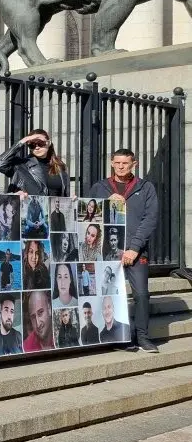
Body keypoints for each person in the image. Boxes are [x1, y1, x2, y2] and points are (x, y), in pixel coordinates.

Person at [89, 148, 159, 353]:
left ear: (133, 164)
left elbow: (150, 220)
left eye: (125, 163)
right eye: (117, 163)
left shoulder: (145, 188)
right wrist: (106, 204)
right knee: (110, 293)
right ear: (111, 163)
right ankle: (119, 337)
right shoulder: (100, 187)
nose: (121, 167)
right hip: (107, 252)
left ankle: (143, 337)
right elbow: (89, 216)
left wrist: (134, 248)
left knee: (142, 295)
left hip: (135, 252)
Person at [0, 128, 70, 196]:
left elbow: (64, 196)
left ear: (48, 143)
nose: (37, 147)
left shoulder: (60, 166)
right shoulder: (21, 166)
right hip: (29, 209)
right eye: (32, 145)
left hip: (54, 210)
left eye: (40, 143)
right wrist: (23, 140)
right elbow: (0, 164)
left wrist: (71, 201)